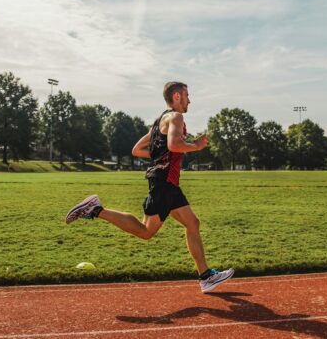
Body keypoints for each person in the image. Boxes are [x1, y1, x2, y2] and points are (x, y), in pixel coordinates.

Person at [66, 82, 234, 293]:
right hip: (164, 182)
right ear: (176, 97)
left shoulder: (158, 122)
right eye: (187, 95)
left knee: (193, 223)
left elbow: (137, 150)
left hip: (167, 182)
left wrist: (165, 154)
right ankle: (96, 210)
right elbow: (173, 145)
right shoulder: (175, 117)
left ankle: (205, 276)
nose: (189, 100)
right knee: (146, 231)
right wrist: (195, 147)